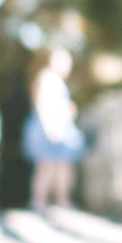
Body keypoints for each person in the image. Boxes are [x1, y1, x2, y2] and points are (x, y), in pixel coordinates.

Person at [22, 48, 84, 212]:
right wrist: (49, 128)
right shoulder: (47, 78)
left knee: (60, 165)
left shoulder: (54, 79)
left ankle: (59, 201)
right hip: (50, 127)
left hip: (58, 126)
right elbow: (42, 103)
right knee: (47, 166)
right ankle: (40, 202)